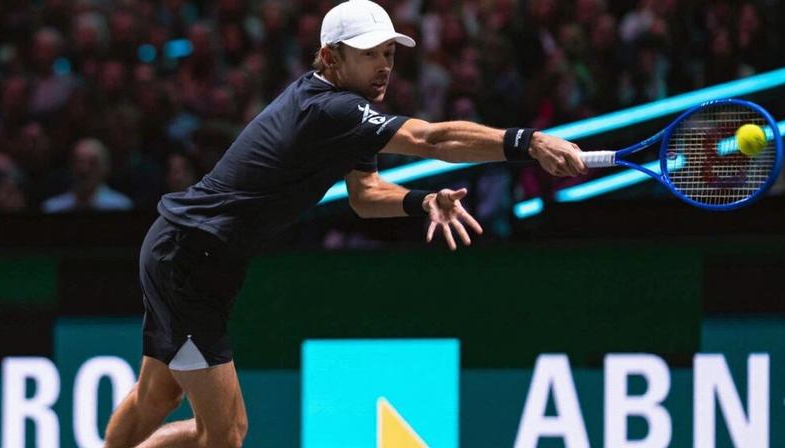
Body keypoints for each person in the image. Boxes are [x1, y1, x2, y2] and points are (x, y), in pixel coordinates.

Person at [103, 1, 586, 446]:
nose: (384, 67)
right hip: (192, 260)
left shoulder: (346, 112)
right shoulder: (332, 109)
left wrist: (423, 202)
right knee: (225, 434)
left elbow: (367, 196)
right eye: (370, 54)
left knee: (158, 398)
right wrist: (529, 142)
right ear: (331, 57)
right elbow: (433, 139)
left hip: (183, 249)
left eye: (389, 55)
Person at [42, 138, 133, 213]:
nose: (84, 170)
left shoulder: (120, 207)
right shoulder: (53, 209)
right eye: (78, 162)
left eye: (92, 163)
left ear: (105, 168)